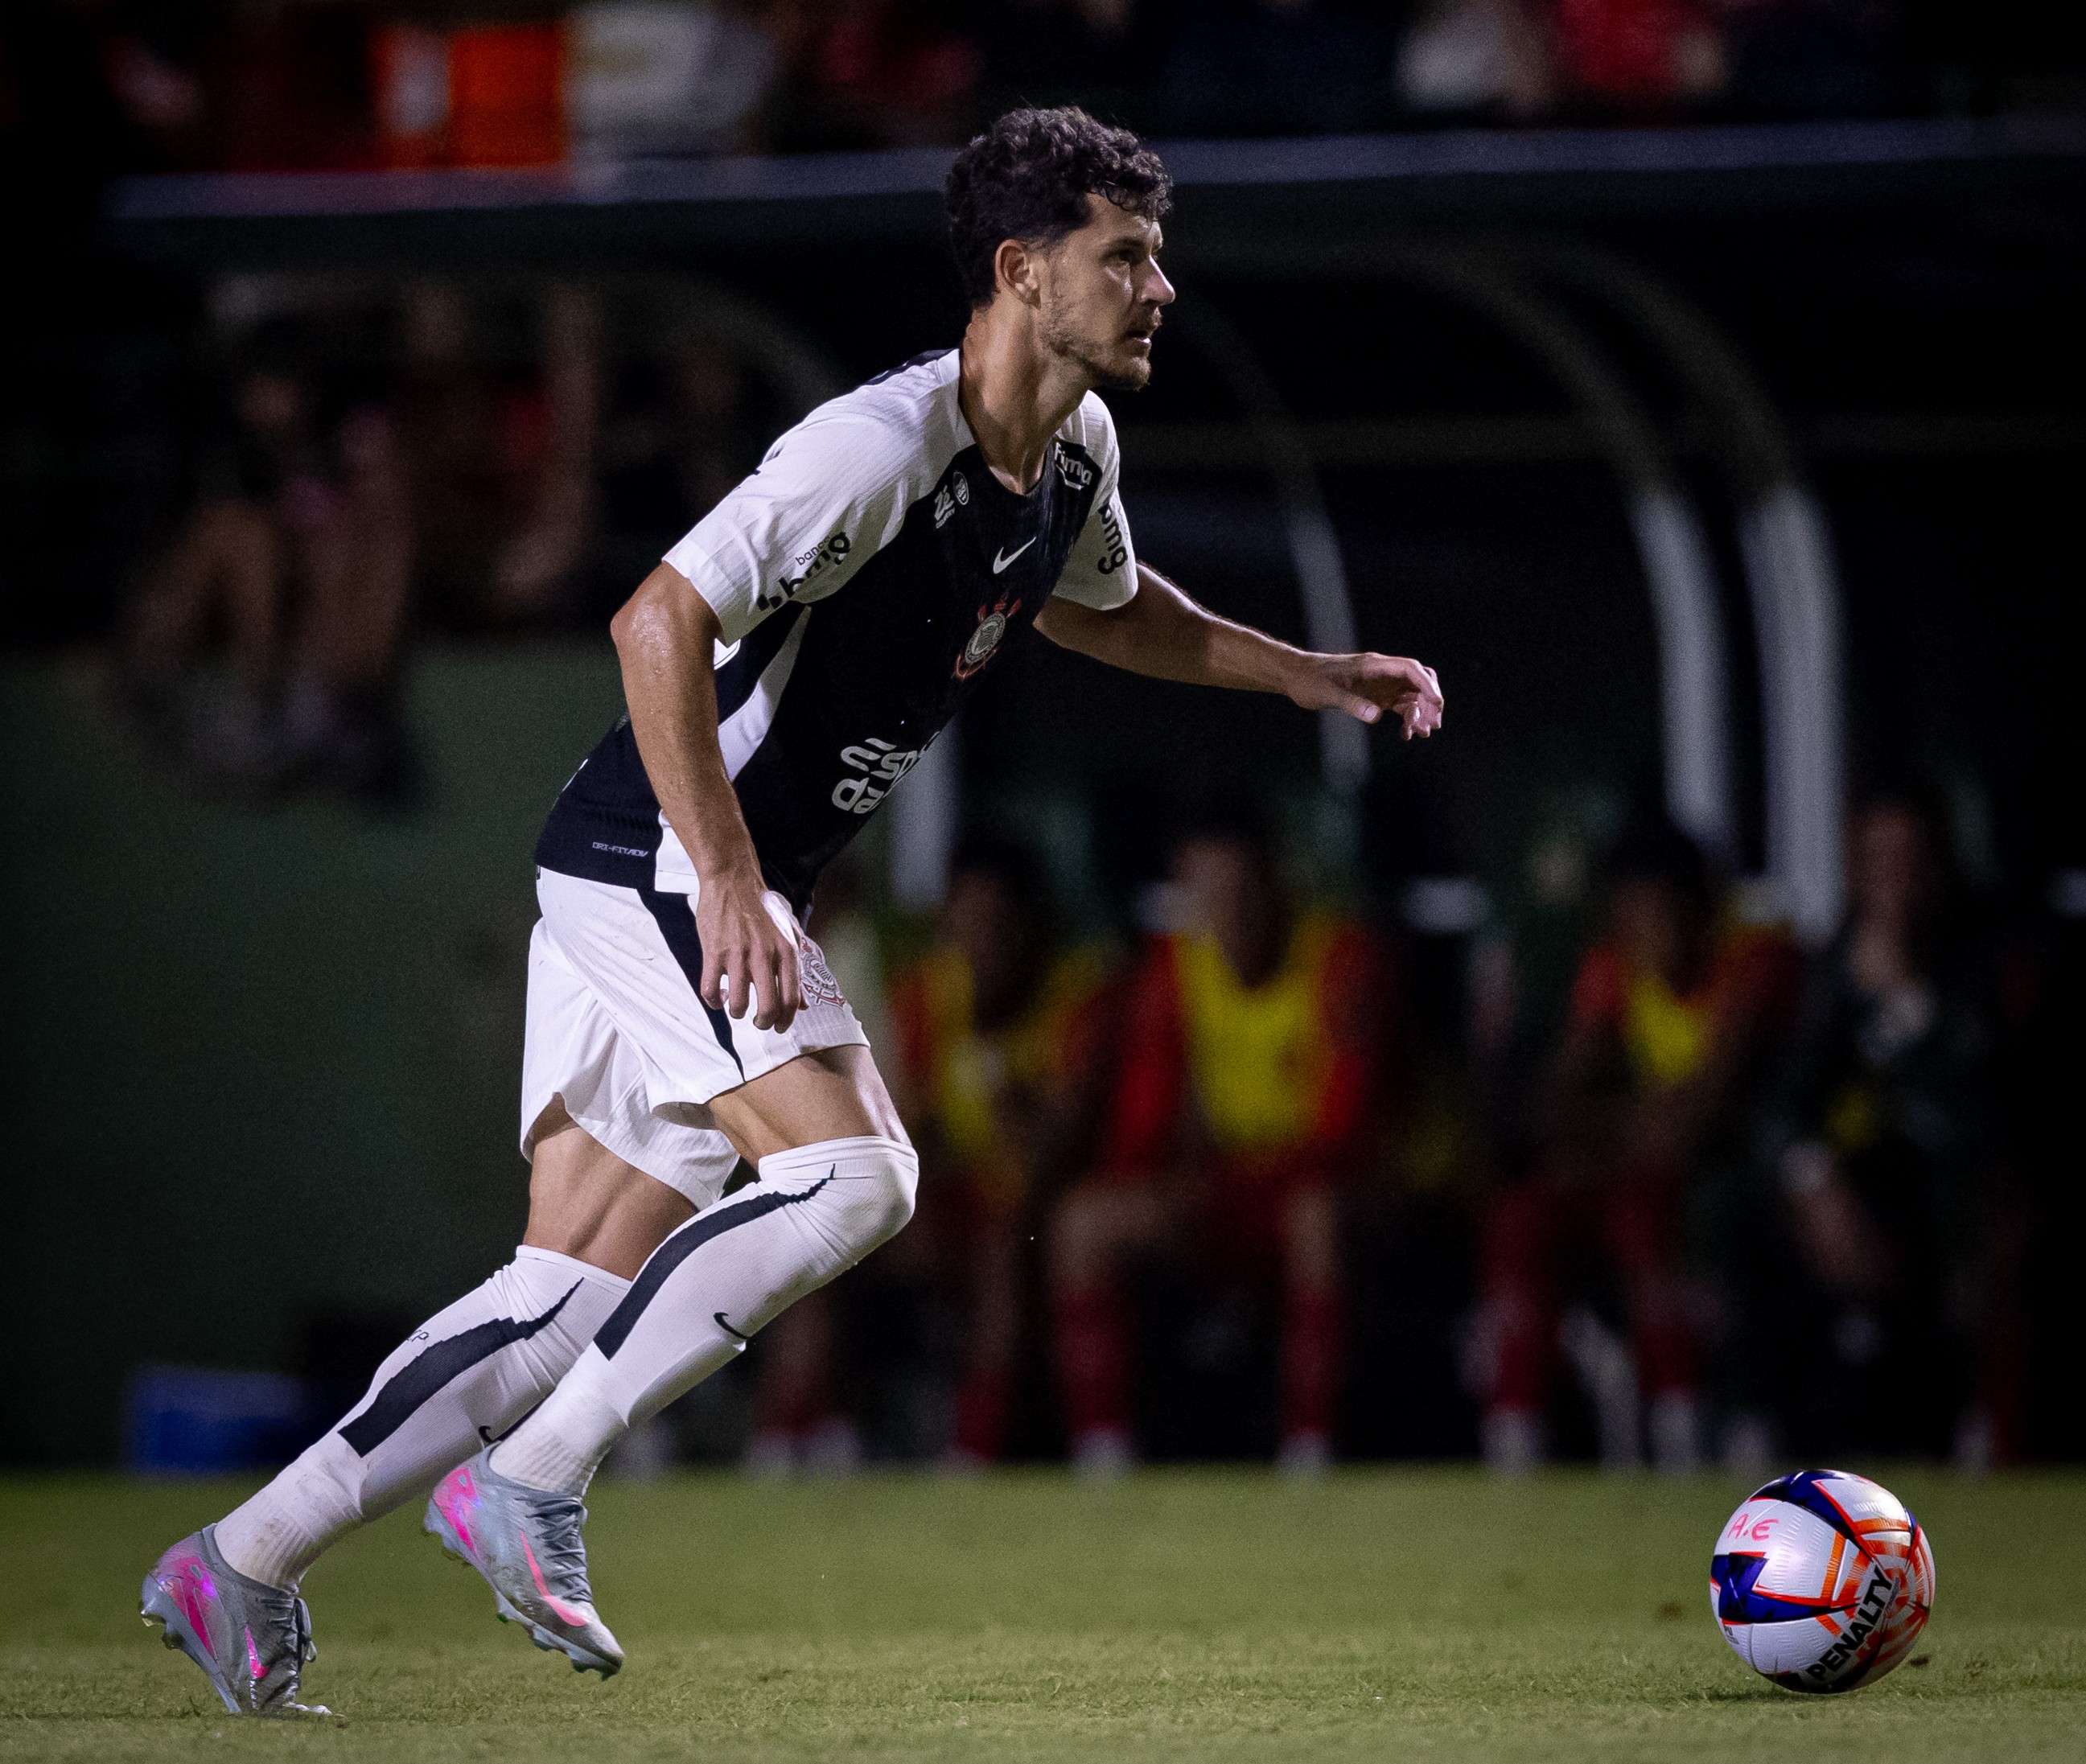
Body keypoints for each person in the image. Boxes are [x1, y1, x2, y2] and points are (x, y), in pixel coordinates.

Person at [140, 105, 1444, 1716]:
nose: (1161, 285)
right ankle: (531, 1481)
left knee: (560, 1300)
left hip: (671, 864)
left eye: (1159, 254)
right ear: (1025, 273)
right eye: (1129, 256)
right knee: (857, 1174)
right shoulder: (878, 448)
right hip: (662, 859)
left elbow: (1110, 612)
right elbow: (653, 621)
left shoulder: (1072, 453)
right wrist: (737, 876)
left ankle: (241, 1557)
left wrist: (1308, 674)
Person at [1049, 810, 1389, 1474]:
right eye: (1208, 897)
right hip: (1234, 1195)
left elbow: (1348, 1136)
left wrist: (1218, 1181)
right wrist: (1164, 1187)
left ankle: (1308, 1449)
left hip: (1344, 1196)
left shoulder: (1341, 958)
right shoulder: (1175, 968)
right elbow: (1140, 1130)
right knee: (1082, 1223)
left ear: (1278, 886)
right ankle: (1103, 1454)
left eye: (1242, 892)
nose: (1227, 915)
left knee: (1313, 1215)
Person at [1472, 819, 1796, 1472]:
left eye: (1670, 910)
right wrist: (1623, 1128)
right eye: (1637, 914)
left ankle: (1682, 1412)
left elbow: (1698, 1118)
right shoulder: (1614, 967)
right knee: (1525, 1213)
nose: (1656, 931)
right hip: (1645, 1170)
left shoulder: (1754, 960)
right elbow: (1552, 1108)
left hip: (1755, 1179)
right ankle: (1516, 1426)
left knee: (1644, 1213)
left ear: (1705, 906)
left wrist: (1608, 1129)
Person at [1759, 794, 2015, 1462]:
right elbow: (1786, 1101)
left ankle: (1983, 1433)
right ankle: (1778, 1438)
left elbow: (1985, 1113)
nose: (1891, 883)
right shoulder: (1834, 964)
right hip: (1860, 1191)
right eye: (1876, 863)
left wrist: (1905, 1001)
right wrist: (1812, 1178)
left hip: (1957, 1188)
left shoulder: (1986, 962)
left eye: (1907, 862)